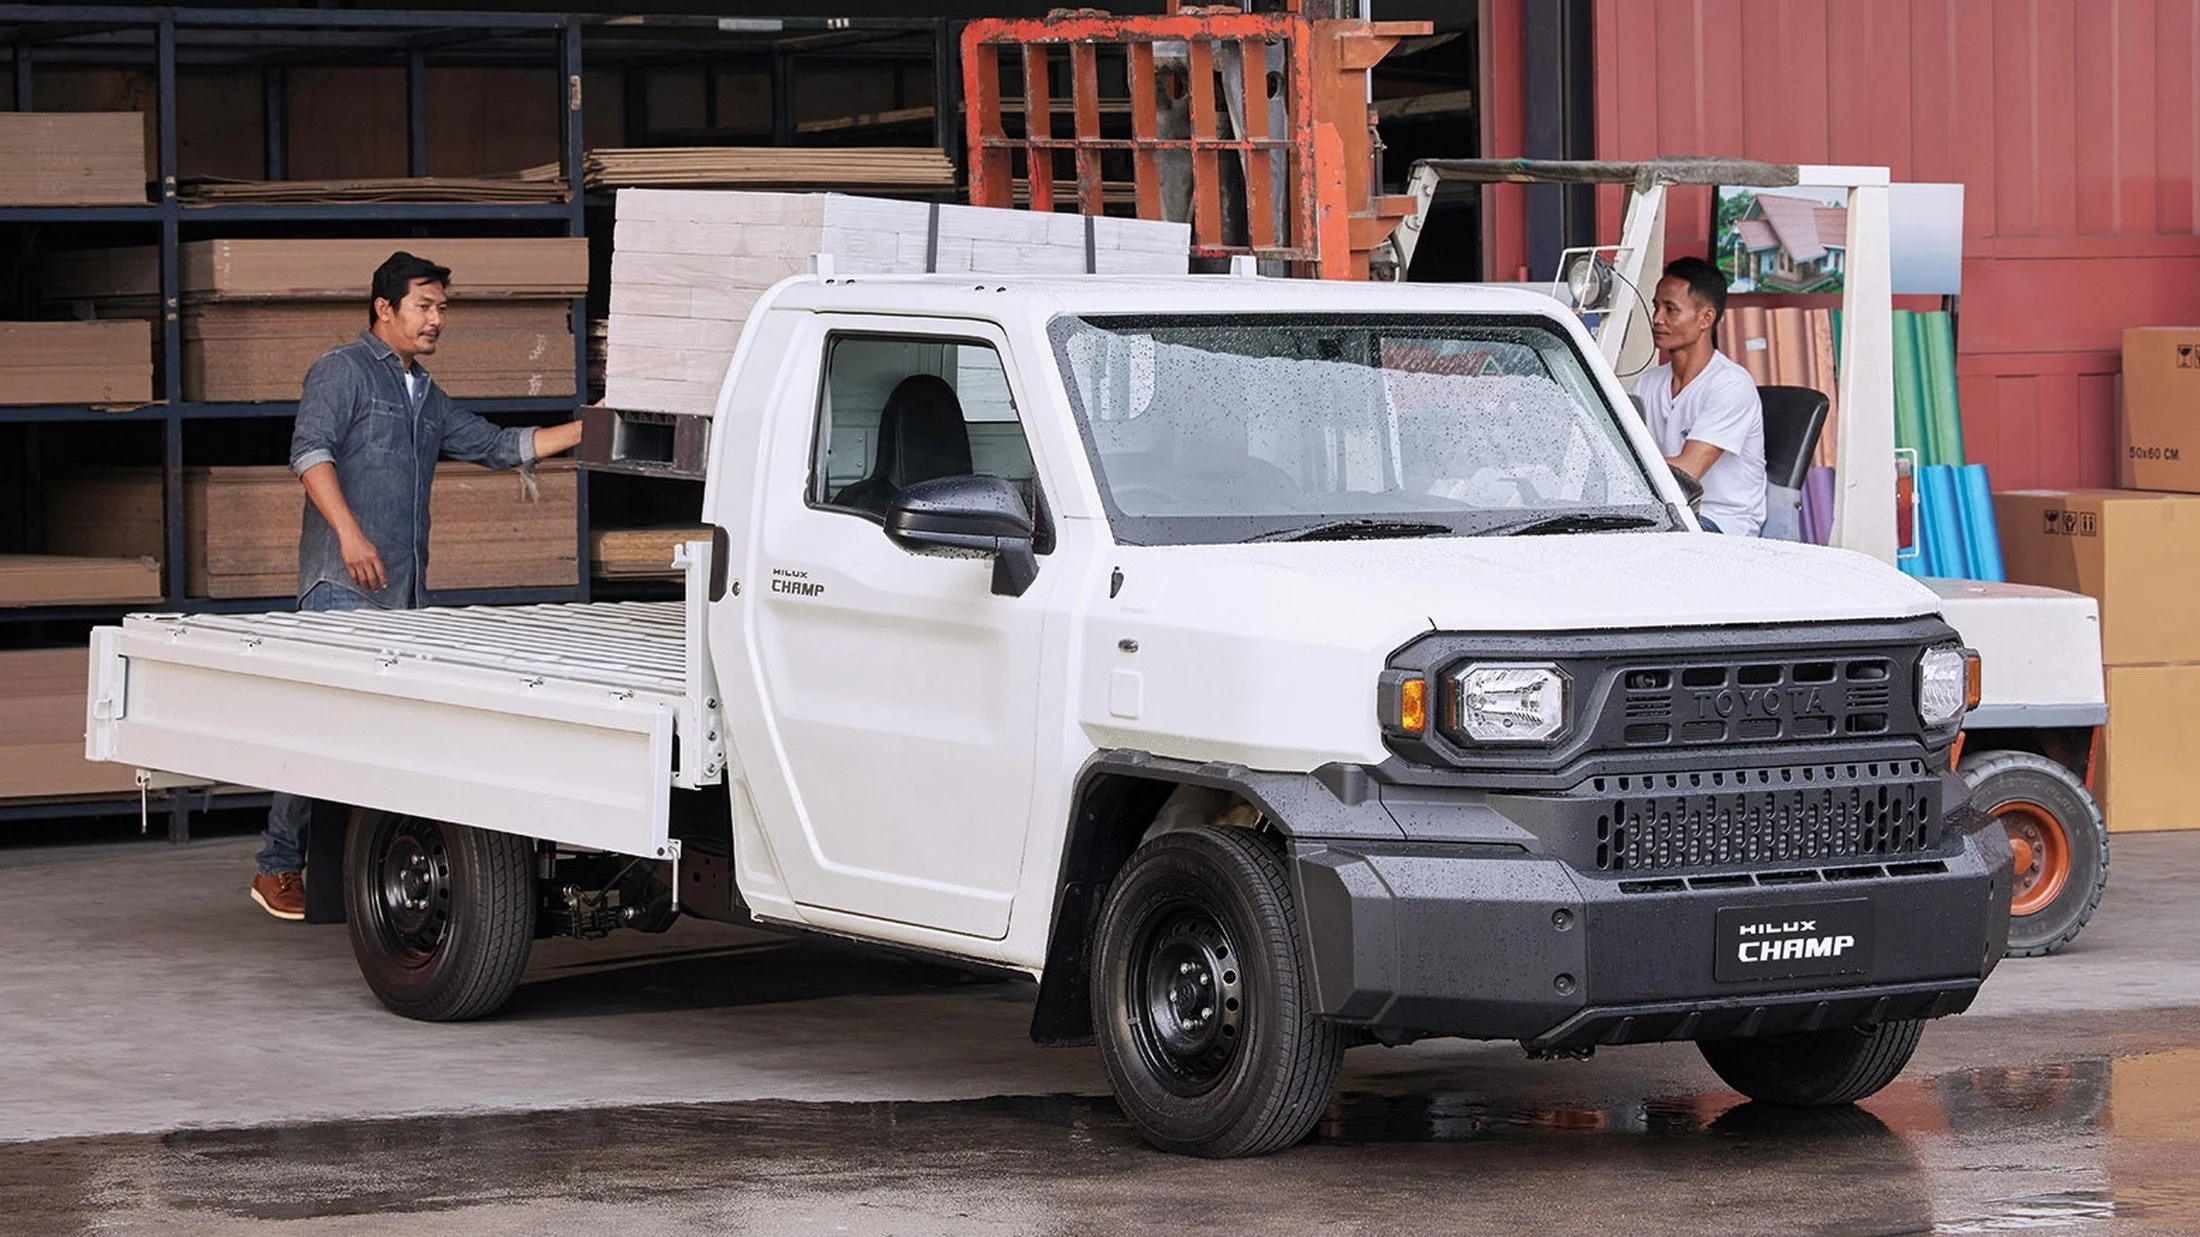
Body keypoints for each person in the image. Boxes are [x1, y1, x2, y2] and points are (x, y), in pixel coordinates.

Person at [249, 251, 584, 920]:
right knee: (320, 726)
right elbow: (308, 451)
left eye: (443, 308)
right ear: (385, 309)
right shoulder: (341, 371)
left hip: (403, 596)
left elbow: (499, 446)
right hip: (340, 585)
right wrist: (348, 533)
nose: (437, 320)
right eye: (425, 306)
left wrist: (593, 426)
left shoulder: (425, 392)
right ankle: (277, 864)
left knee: (372, 735)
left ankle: (349, 871)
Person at [1631, 256, 1767, 538]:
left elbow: (1687, 473)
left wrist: (1621, 462)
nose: (1657, 318)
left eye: (1671, 309)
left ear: (1706, 318)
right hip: (1666, 515)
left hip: (1721, 522)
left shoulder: (1730, 384)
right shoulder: (1648, 383)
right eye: (1657, 306)